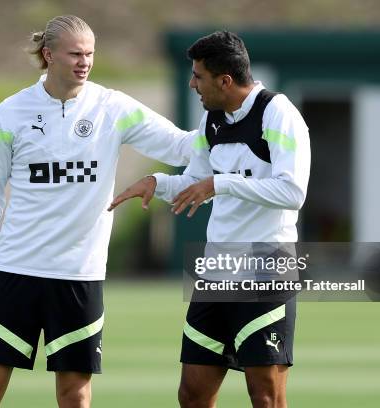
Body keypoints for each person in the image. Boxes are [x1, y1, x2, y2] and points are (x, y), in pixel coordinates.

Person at [0, 15, 195, 408]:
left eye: (89, 53)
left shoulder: (113, 107)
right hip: (17, 271)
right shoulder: (11, 112)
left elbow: (181, 147)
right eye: (75, 54)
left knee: (75, 394)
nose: (84, 61)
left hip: (79, 276)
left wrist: (234, 126)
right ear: (49, 55)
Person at [108, 31, 310, 407]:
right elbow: (196, 181)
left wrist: (221, 184)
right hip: (217, 272)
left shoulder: (278, 114)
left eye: (198, 76)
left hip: (267, 270)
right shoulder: (212, 120)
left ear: (225, 80)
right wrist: (157, 182)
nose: (192, 84)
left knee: (265, 395)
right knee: (192, 392)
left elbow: (292, 192)